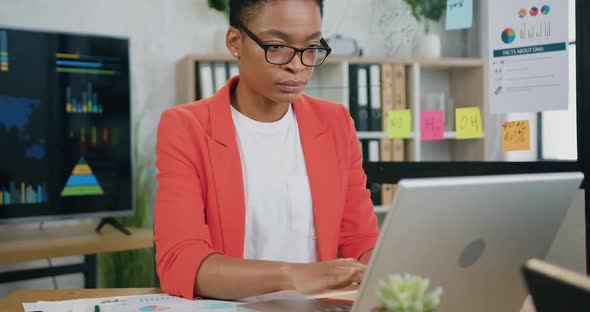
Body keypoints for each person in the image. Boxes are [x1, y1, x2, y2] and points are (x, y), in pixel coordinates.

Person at [154, 0, 379, 300]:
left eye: (311, 47)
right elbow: (180, 262)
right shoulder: (186, 127)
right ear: (235, 42)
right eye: (277, 46)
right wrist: (294, 276)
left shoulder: (335, 122)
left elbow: (361, 241)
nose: (297, 65)